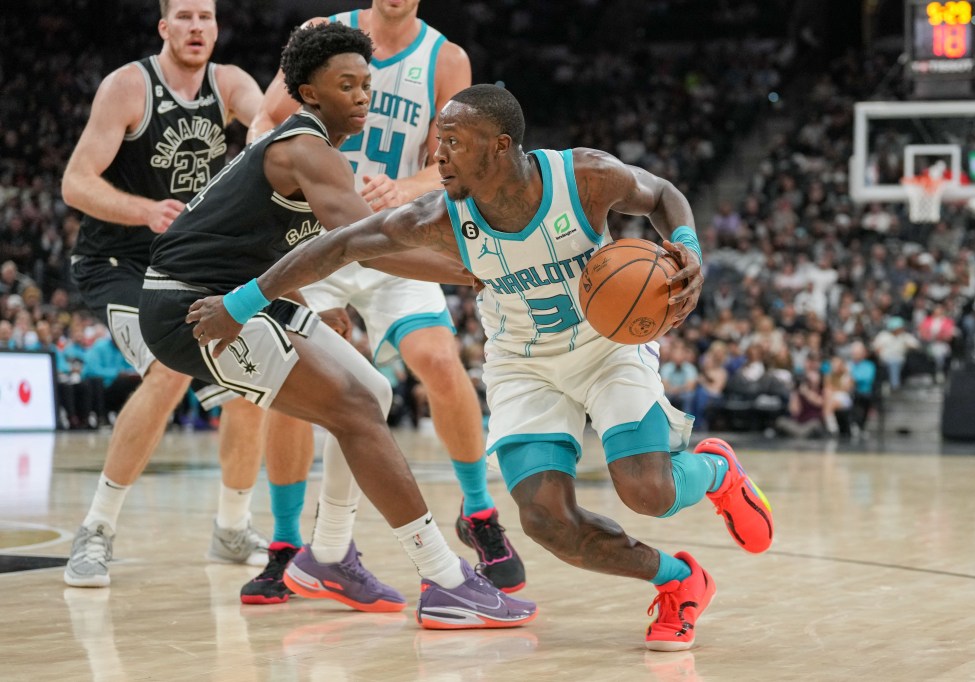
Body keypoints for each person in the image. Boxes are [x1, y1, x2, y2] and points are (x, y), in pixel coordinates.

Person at [188, 84, 772, 651]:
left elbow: (663, 194)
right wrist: (241, 303)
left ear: (500, 145)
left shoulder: (584, 176)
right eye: (438, 142)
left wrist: (689, 248)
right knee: (547, 522)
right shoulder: (439, 217)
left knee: (647, 490)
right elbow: (338, 245)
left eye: (453, 142)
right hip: (524, 362)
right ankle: (677, 579)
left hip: (606, 348)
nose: (437, 155)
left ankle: (716, 473)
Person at [140, 24, 536, 628]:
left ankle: (327, 554)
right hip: (191, 309)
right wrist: (480, 271)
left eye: (366, 84)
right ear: (308, 92)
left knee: (373, 392)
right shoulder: (307, 148)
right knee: (352, 406)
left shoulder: (315, 148)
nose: (362, 96)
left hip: (236, 295)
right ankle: (444, 578)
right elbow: (368, 247)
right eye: (345, 84)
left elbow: (253, 240)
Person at [239, 0, 525, 604]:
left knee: (441, 364)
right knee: (295, 388)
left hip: (392, 237)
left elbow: (457, 160)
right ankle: (289, 543)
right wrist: (308, 173)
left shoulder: (445, 58)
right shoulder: (322, 35)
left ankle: (478, 514)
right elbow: (263, 122)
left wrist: (405, 186)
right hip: (310, 240)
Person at [61, 0, 270, 587]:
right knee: (168, 370)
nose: (196, 26)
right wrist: (146, 210)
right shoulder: (129, 86)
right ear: (164, 27)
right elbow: (75, 182)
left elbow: (267, 121)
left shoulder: (229, 85)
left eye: (205, 16)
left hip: (188, 265)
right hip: (117, 261)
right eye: (184, 16)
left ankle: (232, 528)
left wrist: (272, 120)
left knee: (250, 380)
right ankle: (97, 529)